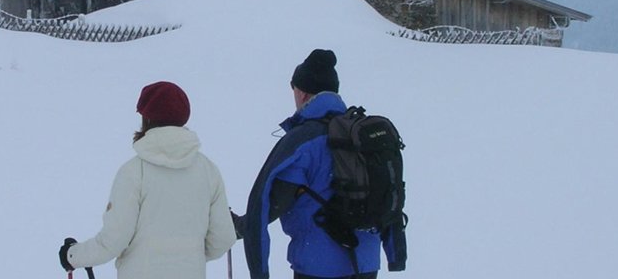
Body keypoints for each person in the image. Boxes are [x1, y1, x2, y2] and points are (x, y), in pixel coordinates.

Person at [233, 49, 405, 279]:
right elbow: (388, 190)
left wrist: (255, 260)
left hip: (317, 266)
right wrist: (396, 256)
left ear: (302, 92)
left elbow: (271, 202)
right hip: (366, 265)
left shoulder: (303, 141)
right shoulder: (362, 134)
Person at [59, 81, 237, 279]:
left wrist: (72, 256)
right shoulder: (208, 171)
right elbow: (223, 238)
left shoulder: (134, 172)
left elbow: (113, 242)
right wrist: (187, 260)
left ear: (147, 118)